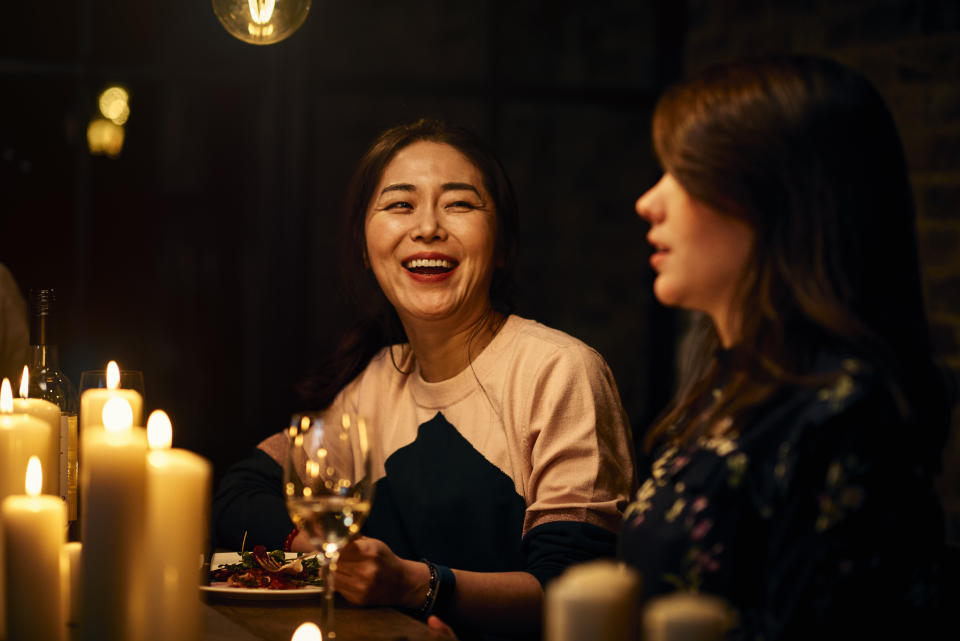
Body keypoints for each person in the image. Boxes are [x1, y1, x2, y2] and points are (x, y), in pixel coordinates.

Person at [213, 119, 636, 638]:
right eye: (399, 205)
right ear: (364, 245)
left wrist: (415, 584)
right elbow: (240, 494)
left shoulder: (557, 371)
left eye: (459, 204)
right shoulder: (374, 381)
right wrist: (322, 550)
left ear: (501, 243)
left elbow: (574, 591)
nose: (428, 227)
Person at [621, 55, 953, 639]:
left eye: (685, 173)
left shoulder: (847, 410)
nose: (649, 201)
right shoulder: (734, 381)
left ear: (774, 198)